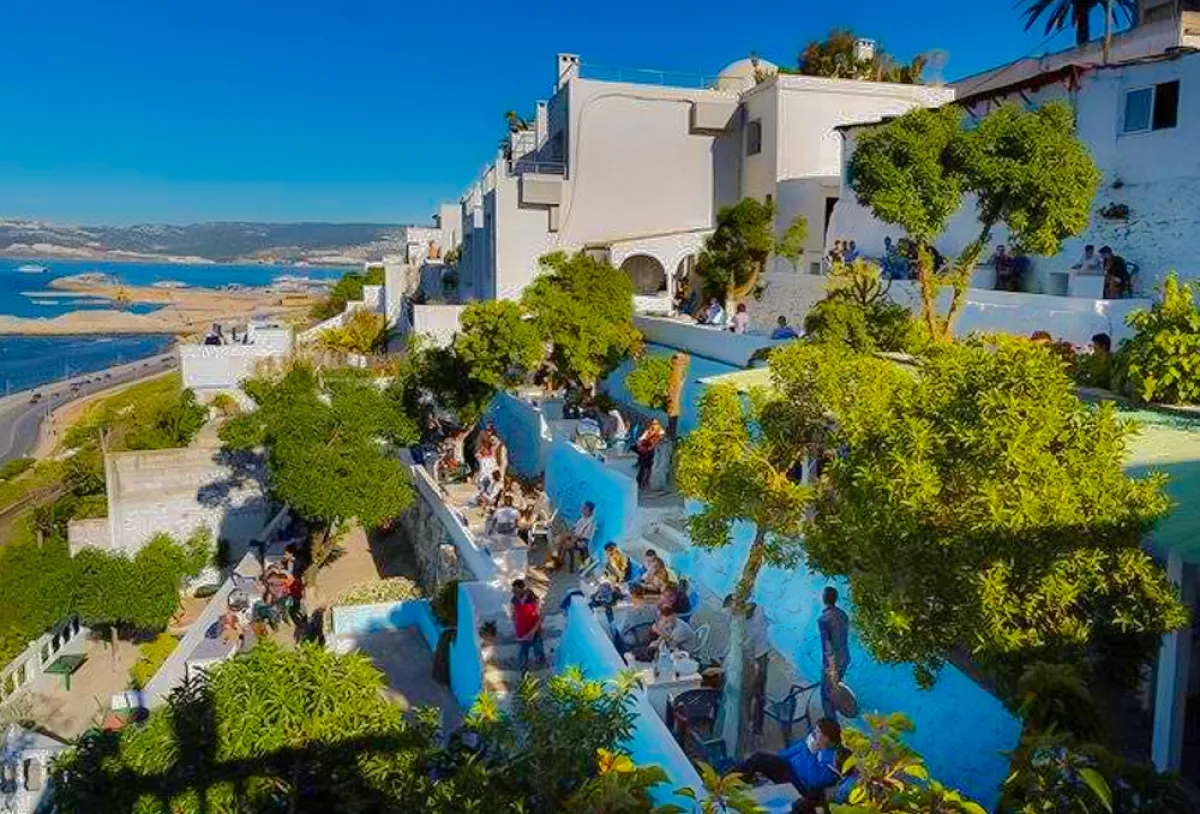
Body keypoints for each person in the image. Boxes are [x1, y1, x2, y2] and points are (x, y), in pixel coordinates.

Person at [735, 718, 844, 799]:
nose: (814, 734)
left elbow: (813, 781)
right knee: (757, 758)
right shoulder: (814, 743)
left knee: (759, 760)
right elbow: (788, 753)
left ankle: (736, 783)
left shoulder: (832, 759)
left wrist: (811, 753)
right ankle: (732, 781)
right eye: (815, 730)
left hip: (799, 784)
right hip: (787, 768)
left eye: (818, 732)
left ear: (827, 738)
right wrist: (772, 760)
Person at [725, 594, 771, 736]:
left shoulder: (755, 614)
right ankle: (747, 724)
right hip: (749, 656)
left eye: (734, 610)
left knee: (755, 693)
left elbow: (750, 641)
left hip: (758, 656)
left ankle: (755, 727)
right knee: (747, 694)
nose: (733, 613)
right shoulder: (740, 616)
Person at [818, 587, 851, 720]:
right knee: (834, 691)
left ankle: (832, 727)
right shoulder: (843, 614)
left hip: (833, 664)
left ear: (824, 598)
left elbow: (828, 646)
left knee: (826, 696)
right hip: (844, 659)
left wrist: (832, 669)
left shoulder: (823, 619)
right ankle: (833, 723)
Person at [631, 604, 697, 662]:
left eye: (668, 621)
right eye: (664, 621)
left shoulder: (680, 630)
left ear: (674, 616)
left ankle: (637, 653)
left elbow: (671, 645)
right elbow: (668, 636)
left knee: (653, 650)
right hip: (676, 647)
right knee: (651, 638)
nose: (667, 624)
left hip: (686, 654)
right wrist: (658, 640)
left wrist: (660, 636)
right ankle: (638, 651)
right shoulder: (673, 623)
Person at [511, 579, 546, 673]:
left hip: (534, 630)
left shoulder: (533, 598)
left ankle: (542, 670)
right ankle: (523, 671)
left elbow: (540, 616)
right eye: (513, 590)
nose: (514, 592)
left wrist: (533, 631)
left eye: (516, 590)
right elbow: (513, 615)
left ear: (522, 588)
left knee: (538, 649)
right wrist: (515, 618)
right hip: (522, 631)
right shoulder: (514, 600)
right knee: (523, 652)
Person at [552, 501, 597, 573]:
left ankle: (558, 564)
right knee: (562, 543)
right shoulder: (583, 518)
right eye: (583, 508)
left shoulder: (591, 522)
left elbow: (583, 536)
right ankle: (558, 562)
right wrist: (571, 534)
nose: (582, 510)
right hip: (575, 538)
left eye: (584, 508)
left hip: (582, 541)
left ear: (589, 511)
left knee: (564, 544)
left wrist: (572, 536)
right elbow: (575, 528)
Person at [634, 418, 665, 491]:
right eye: (653, 424)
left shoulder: (660, 432)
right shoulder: (648, 431)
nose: (655, 425)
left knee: (649, 468)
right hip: (645, 452)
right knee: (643, 467)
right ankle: (640, 482)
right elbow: (641, 439)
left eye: (656, 424)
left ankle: (646, 482)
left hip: (651, 453)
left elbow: (660, 438)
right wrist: (640, 445)